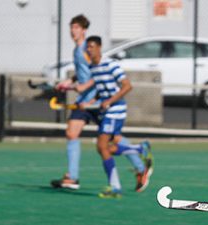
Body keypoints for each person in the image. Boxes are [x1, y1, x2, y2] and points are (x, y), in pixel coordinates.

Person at [50, 15, 152, 193]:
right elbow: (89, 73)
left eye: (76, 27)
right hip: (90, 101)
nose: (72, 31)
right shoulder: (80, 50)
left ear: (84, 30)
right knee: (74, 134)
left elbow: (96, 77)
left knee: (110, 142)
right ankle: (74, 177)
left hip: (98, 101)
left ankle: (140, 164)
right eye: (71, 27)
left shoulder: (87, 50)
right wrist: (70, 82)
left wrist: (82, 88)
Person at [72, 35, 153, 198]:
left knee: (102, 147)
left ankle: (115, 187)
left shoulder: (110, 64)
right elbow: (100, 91)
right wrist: (89, 104)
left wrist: (109, 101)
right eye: (87, 47)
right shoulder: (92, 67)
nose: (89, 49)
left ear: (100, 47)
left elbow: (127, 86)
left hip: (116, 110)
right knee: (109, 148)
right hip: (109, 110)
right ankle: (140, 149)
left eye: (92, 47)